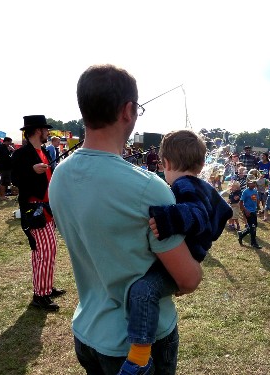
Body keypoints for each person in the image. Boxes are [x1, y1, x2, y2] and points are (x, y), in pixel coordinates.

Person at [49, 64, 203, 375]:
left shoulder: (60, 176)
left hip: (87, 332)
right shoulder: (149, 189)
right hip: (137, 348)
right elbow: (189, 279)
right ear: (128, 111)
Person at [138, 129, 232, 374]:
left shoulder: (184, 186)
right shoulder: (197, 183)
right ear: (201, 164)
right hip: (188, 258)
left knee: (143, 290)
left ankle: (138, 354)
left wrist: (168, 218)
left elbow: (198, 214)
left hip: (187, 257)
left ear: (165, 163)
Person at [11, 116, 66, 311]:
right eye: (45, 129)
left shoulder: (42, 151)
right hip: (34, 210)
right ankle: (40, 295)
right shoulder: (22, 154)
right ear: (36, 131)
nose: (48, 133)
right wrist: (31, 170)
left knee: (46, 251)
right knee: (45, 251)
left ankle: (45, 288)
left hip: (47, 208)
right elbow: (14, 178)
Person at [237, 172, 262, 249]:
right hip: (248, 212)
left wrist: (259, 208)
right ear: (247, 183)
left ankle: (241, 234)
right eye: (251, 183)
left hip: (254, 211)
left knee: (254, 226)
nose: (253, 184)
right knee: (253, 227)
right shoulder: (245, 192)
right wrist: (245, 211)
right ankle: (253, 243)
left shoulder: (255, 191)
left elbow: (256, 200)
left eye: (254, 183)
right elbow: (241, 203)